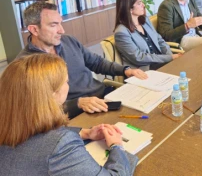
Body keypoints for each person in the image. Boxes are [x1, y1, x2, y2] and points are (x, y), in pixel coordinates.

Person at [0, 54, 138, 175]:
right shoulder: (60, 145)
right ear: (52, 93)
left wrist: (85, 133)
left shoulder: (9, 123)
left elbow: (35, 134)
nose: (69, 85)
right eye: (66, 81)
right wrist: (117, 146)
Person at [16, 1, 148, 119]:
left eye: (60, 23)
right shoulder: (25, 66)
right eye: (53, 25)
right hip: (75, 113)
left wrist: (126, 70)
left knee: (147, 109)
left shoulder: (69, 41)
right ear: (34, 29)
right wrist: (78, 103)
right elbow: (39, 110)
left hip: (103, 96)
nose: (61, 30)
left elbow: (97, 62)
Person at [114, 0, 181, 71]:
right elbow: (138, 58)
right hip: (145, 69)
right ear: (129, 9)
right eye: (139, 3)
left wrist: (170, 57)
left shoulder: (145, 20)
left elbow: (159, 40)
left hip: (161, 61)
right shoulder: (121, 33)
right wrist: (169, 58)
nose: (143, 5)